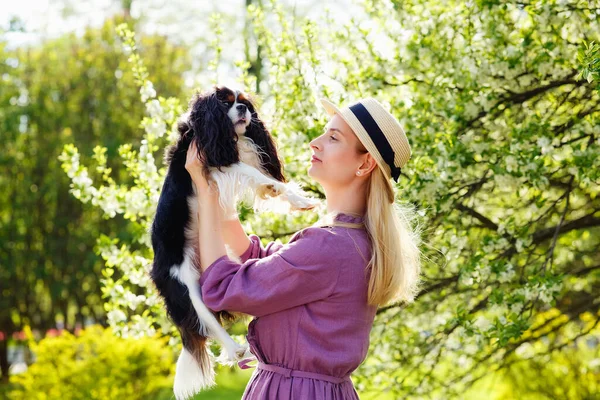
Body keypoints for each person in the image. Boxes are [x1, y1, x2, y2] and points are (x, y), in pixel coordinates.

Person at [185, 97, 422, 400]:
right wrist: (222, 194)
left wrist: (205, 192)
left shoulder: (329, 247)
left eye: (333, 138)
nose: (315, 143)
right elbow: (267, 266)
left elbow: (223, 288)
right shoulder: (353, 240)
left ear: (364, 163)